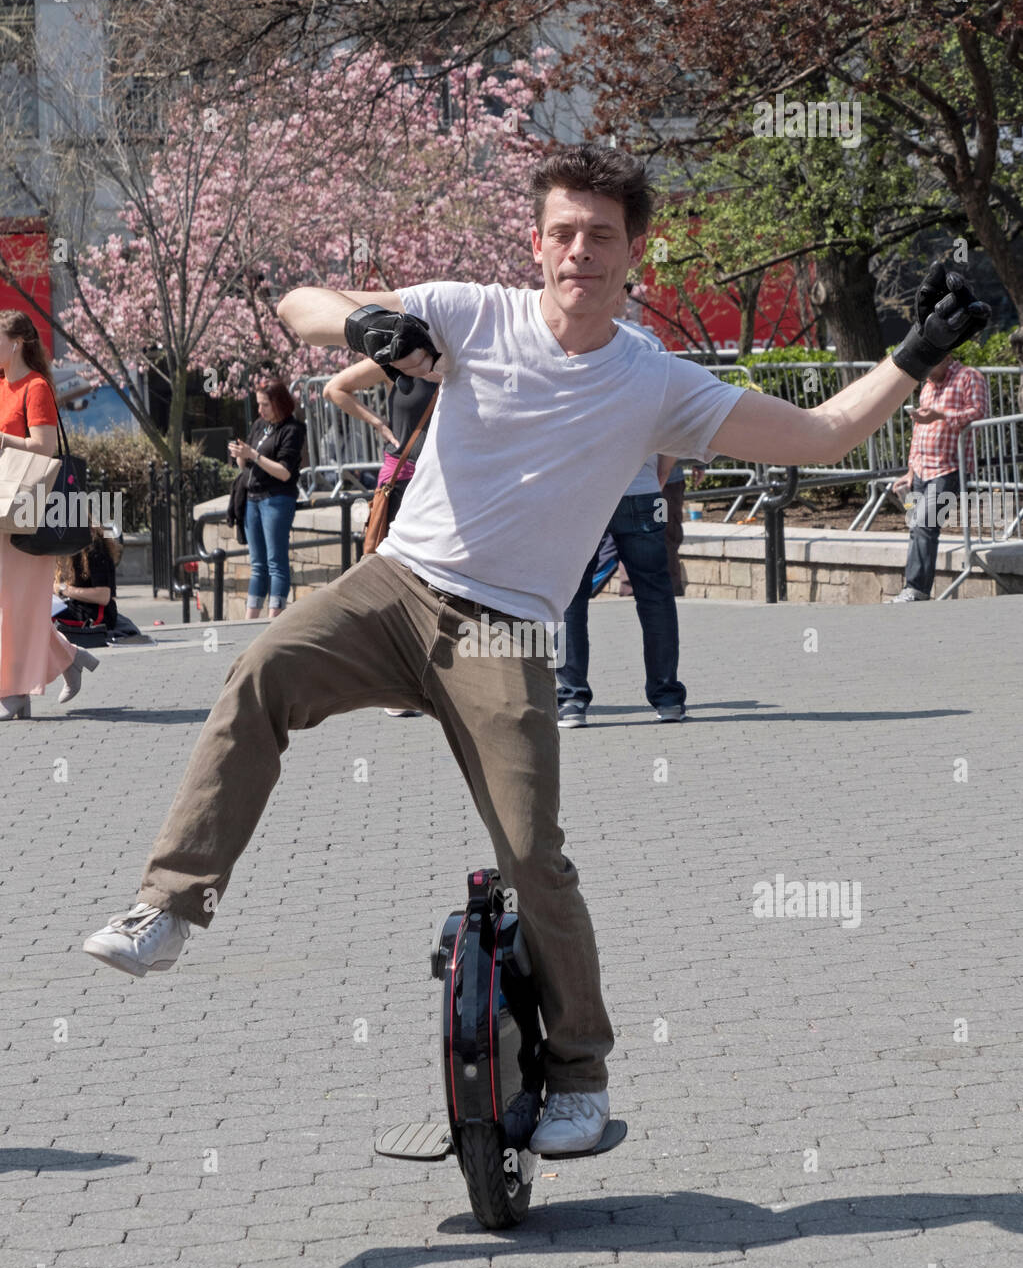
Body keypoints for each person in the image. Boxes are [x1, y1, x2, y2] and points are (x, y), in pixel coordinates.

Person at [82, 146, 989, 1154]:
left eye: (602, 234)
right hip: (396, 586)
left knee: (530, 855)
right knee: (259, 668)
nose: (579, 250)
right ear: (537, 243)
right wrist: (364, 322)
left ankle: (579, 1076)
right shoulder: (475, 313)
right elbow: (301, 304)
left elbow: (821, 434)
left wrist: (917, 352)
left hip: (508, 624)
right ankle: (167, 905)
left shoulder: (652, 380)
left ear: (633, 252)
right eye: (563, 231)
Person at [557, 288, 687, 726]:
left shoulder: (569, 346)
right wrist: (659, 475)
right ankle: (667, 696)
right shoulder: (650, 346)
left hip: (582, 494)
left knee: (571, 598)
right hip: (642, 490)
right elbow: (672, 424)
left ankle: (571, 698)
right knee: (655, 594)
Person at [323, 359, 441, 718]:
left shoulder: (464, 359)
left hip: (443, 484)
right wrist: (377, 422)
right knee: (393, 580)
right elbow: (335, 389)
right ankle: (394, 686)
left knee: (436, 585)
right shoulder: (403, 361)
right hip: (401, 479)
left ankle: (430, 681)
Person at [0, 310, 93, 720]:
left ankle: (14, 694)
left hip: (28, 507)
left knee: (14, 605)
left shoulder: (35, 387)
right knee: (9, 604)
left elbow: (45, 448)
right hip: (4, 501)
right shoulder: (1, 384)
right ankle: (69, 658)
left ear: (16, 342)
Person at [888, 354, 989, 601]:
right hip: (922, 469)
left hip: (949, 468)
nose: (927, 373)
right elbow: (919, 430)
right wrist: (910, 471)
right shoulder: (928, 385)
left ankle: (915, 589)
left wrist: (941, 415)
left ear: (945, 357)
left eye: (930, 366)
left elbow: (979, 413)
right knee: (918, 526)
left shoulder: (968, 377)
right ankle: (914, 590)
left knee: (925, 523)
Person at [228, 379, 306, 619]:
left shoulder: (292, 429)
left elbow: (284, 472)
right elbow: (246, 463)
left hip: (276, 498)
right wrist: (242, 455)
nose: (260, 410)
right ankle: (250, 618)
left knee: (275, 561)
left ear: (279, 404)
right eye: (258, 404)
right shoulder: (260, 425)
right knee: (257, 563)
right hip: (252, 497)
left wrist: (254, 454)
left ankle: (275, 617)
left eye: (265, 405)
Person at [52, 525, 121, 700]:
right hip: (77, 606)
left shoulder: (95, 551)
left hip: (93, 614)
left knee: (39, 621)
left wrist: (63, 589)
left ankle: (72, 659)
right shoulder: (73, 548)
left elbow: (104, 596)